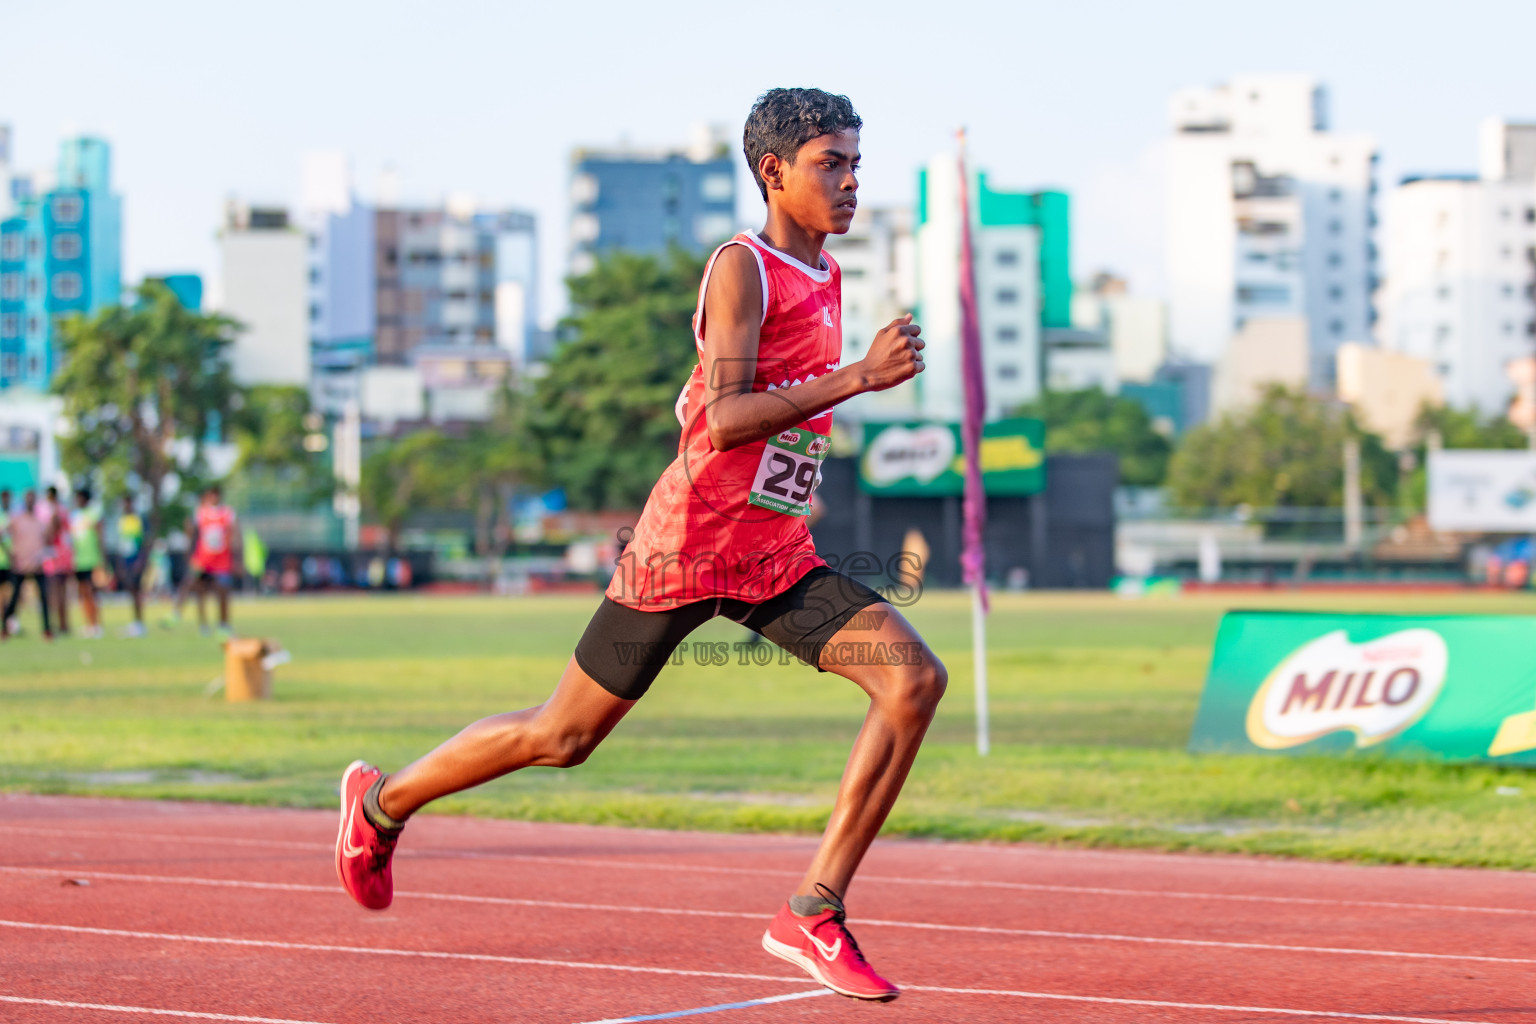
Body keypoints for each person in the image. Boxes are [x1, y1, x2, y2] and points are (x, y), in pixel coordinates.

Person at [335, 89, 942, 1002]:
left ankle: (812, 912)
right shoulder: (743, 268)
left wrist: (824, 413)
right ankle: (380, 805)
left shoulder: (827, 273)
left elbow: (765, 413)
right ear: (774, 172)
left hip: (773, 554)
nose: (853, 182)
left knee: (913, 680)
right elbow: (727, 420)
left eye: (857, 163)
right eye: (833, 163)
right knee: (563, 734)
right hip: (684, 552)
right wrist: (856, 379)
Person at [1, 489, 55, 641]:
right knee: (14, 599)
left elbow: (48, 538)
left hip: (37, 565)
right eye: (28, 498)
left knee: (44, 598)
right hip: (21, 565)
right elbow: (2, 534)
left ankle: (47, 630)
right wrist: (10, 554)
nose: (30, 501)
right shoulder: (17, 520)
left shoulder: (40, 522)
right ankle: (5, 628)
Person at [188, 485, 239, 638]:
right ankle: (203, 624)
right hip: (203, 560)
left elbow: (234, 534)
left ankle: (224, 624)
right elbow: (192, 534)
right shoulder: (201, 513)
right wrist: (192, 556)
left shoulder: (227, 513)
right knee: (200, 591)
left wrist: (237, 558)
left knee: (223, 592)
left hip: (222, 561)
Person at [68, 488, 106, 639]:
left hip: (92, 559)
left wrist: (101, 559)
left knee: (92, 593)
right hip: (78, 561)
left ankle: (96, 624)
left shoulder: (93, 514)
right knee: (83, 593)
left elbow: (100, 536)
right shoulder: (74, 516)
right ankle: (88, 624)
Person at [114, 495, 148, 637]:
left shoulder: (138, 519)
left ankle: (140, 623)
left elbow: (145, 542)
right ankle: (135, 623)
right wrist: (120, 564)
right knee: (130, 590)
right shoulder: (122, 521)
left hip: (136, 561)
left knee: (136, 590)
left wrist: (140, 561)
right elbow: (122, 544)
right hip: (126, 561)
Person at [40, 485, 72, 635]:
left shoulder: (56, 512)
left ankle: (61, 625)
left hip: (57, 556)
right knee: (59, 592)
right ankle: (62, 624)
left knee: (56, 592)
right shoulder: (59, 510)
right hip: (60, 555)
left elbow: (52, 534)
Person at [0, 488, 12, 633]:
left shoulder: (13, 516)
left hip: (11, 562)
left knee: (11, 594)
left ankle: (8, 623)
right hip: (2, 560)